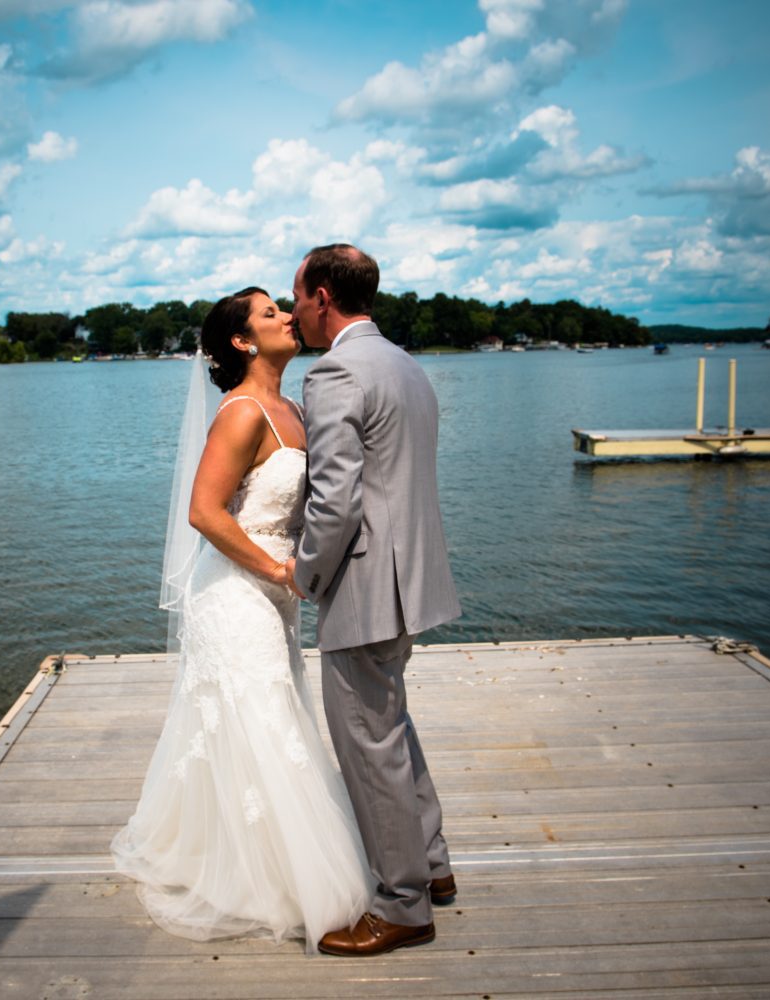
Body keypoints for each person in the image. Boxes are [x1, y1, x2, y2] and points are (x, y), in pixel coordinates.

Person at [111, 287, 371, 953]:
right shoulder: (242, 411)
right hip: (232, 590)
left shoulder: (295, 407)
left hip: (278, 594)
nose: (288, 316)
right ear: (242, 341)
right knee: (264, 715)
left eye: (285, 308)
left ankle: (244, 852)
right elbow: (205, 512)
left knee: (267, 716)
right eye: (270, 313)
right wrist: (279, 570)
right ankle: (281, 881)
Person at [284, 244, 463, 957]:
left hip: (363, 589)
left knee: (367, 744)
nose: (295, 312)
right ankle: (433, 865)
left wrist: (303, 576)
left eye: (298, 297)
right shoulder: (405, 365)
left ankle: (402, 905)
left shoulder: (335, 374)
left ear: (323, 296)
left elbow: (334, 505)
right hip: (412, 579)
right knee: (392, 728)